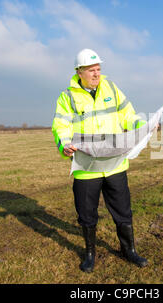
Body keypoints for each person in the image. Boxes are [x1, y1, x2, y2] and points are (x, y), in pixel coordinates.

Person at [52, 49, 148, 273]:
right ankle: (89, 255)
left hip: (115, 165)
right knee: (86, 215)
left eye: (98, 69)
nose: (96, 74)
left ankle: (129, 250)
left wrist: (142, 126)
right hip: (86, 169)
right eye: (91, 70)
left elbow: (128, 115)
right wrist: (64, 144)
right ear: (79, 72)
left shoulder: (112, 88)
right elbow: (61, 126)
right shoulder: (67, 97)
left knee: (123, 211)